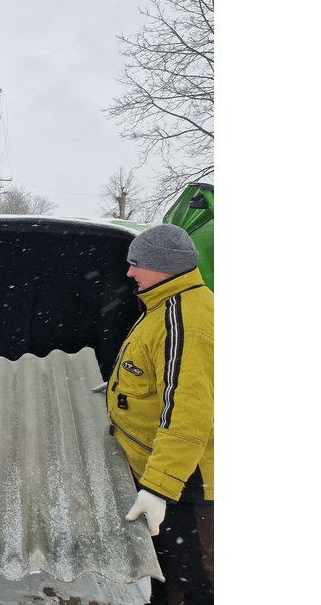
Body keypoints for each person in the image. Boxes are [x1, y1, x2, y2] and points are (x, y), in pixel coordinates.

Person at [108, 224, 214, 604]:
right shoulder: (166, 304)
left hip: (187, 483)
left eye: (136, 264)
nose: (129, 272)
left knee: (194, 585)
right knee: (167, 580)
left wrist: (159, 488)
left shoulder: (185, 321)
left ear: (164, 266)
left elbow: (189, 416)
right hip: (171, 476)